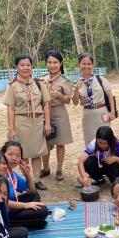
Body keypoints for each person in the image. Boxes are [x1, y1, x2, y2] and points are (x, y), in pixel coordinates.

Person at [4, 54, 51, 190]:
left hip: (37, 122)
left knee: (37, 153)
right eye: (22, 65)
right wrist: (11, 129)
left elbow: (46, 104)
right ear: (17, 67)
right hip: (21, 122)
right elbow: (11, 109)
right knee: (22, 154)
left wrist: (47, 123)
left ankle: (36, 180)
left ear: (32, 66)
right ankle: (27, 181)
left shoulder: (38, 83)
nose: (25, 68)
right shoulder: (12, 86)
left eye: (28, 65)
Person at [40, 50, 73, 182]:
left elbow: (68, 100)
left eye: (55, 62)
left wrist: (59, 95)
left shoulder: (65, 80)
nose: (52, 65)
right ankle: (46, 167)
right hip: (44, 114)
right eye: (49, 62)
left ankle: (59, 169)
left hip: (59, 114)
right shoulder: (42, 79)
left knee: (60, 143)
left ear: (60, 64)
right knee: (45, 143)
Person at [1, 141, 48, 230]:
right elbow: (3, 202)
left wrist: (27, 174)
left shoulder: (13, 173)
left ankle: (30, 221)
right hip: (5, 211)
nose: (14, 158)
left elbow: (32, 190)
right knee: (43, 211)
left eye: (18, 155)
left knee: (35, 195)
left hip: (13, 206)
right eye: (10, 154)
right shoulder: (0, 173)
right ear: (2, 155)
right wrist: (26, 205)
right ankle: (15, 223)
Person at [72, 53, 116, 146]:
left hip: (102, 113)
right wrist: (76, 89)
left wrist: (112, 112)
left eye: (89, 64)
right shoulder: (77, 83)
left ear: (93, 65)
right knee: (90, 141)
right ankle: (93, 159)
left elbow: (110, 96)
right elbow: (75, 103)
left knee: (105, 139)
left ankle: (106, 159)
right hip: (88, 116)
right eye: (83, 63)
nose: (86, 66)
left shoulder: (100, 79)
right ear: (79, 65)